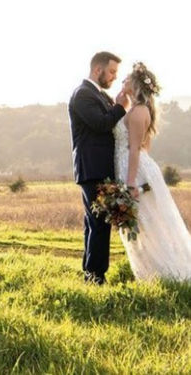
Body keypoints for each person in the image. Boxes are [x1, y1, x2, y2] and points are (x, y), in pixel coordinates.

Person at [113, 62, 191, 280]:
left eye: (126, 79)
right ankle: (154, 272)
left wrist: (130, 184)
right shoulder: (135, 108)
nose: (122, 82)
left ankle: (169, 273)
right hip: (130, 167)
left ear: (136, 84)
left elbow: (137, 149)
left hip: (135, 171)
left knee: (147, 222)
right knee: (141, 223)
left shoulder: (138, 112)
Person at [68, 52, 130, 285]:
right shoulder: (83, 94)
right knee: (100, 223)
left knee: (93, 223)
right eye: (112, 71)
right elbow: (101, 124)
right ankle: (96, 278)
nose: (114, 77)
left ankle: (90, 274)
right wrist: (121, 107)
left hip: (98, 169)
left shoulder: (97, 95)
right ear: (97, 70)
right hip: (92, 169)